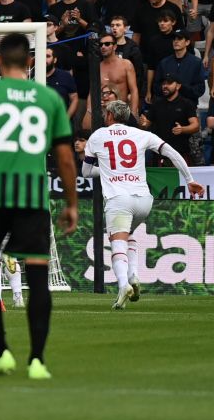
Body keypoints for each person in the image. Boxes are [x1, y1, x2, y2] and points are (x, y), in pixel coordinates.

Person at [0, 33, 78, 381]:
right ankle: (37, 359)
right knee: (38, 276)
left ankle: (2, 352)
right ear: (30, 62)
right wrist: (71, 202)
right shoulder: (49, 97)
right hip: (32, 200)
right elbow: (65, 157)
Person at [81, 99, 203, 309]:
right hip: (144, 200)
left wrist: (111, 171)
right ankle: (134, 275)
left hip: (119, 200)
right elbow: (172, 153)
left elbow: (86, 172)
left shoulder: (97, 136)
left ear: (109, 116)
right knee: (130, 235)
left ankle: (123, 284)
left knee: (117, 241)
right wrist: (190, 180)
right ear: (127, 117)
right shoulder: (142, 134)